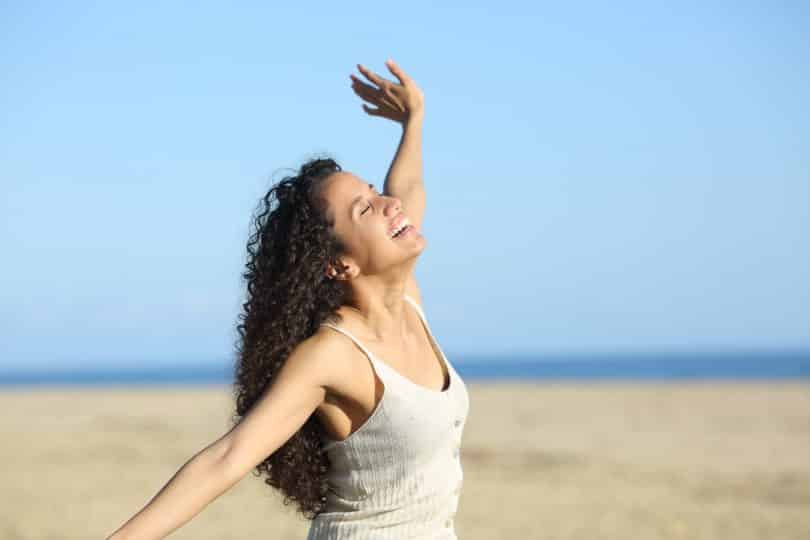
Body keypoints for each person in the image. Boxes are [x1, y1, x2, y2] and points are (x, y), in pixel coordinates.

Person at [106, 58, 469, 540]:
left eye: (372, 191)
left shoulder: (407, 301)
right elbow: (226, 458)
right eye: (365, 206)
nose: (388, 203)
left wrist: (413, 120)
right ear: (340, 265)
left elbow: (406, 191)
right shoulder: (333, 355)